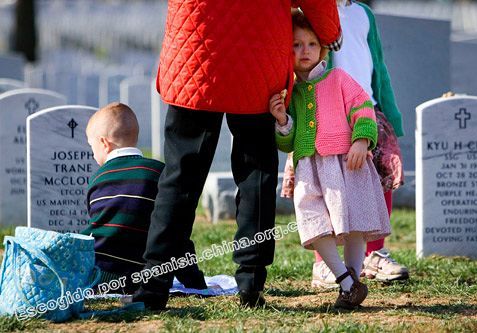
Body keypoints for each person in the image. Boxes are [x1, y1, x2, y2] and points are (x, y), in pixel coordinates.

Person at [132, 0, 342, 310]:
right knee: (256, 174)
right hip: (259, 50)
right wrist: (329, 30)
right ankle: (250, 283)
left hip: (196, 47)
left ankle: (152, 287)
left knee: (179, 176)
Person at [281, 0, 408, 288]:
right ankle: (323, 264)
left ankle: (374, 253)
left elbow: (378, 64)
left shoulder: (364, 13)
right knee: (322, 186)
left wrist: (390, 111)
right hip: (324, 111)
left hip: (365, 106)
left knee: (377, 177)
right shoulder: (313, 9)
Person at [82, 102, 206, 293]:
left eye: (92, 147)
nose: (92, 155)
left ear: (104, 143)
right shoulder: (160, 173)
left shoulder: (98, 179)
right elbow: (176, 232)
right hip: (147, 277)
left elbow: (95, 230)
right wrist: (194, 281)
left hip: (102, 276)